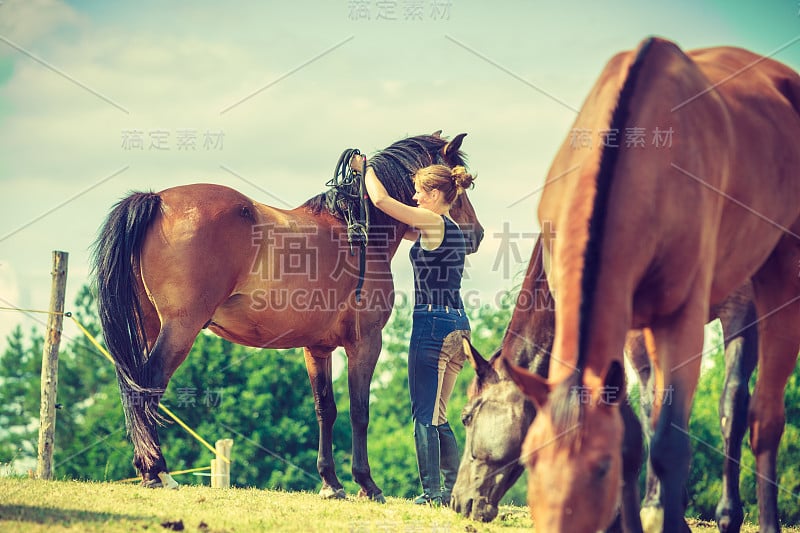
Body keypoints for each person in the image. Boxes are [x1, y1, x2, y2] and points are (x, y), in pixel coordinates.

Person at [352, 154, 475, 506]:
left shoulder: (431, 220)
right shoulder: (449, 229)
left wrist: (367, 171)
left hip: (432, 324)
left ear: (436, 194)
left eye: (419, 192)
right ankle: (451, 492)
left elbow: (381, 201)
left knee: (423, 413)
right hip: (459, 327)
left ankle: (432, 493)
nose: (415, 198)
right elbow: (399, 223)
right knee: (439, 413)